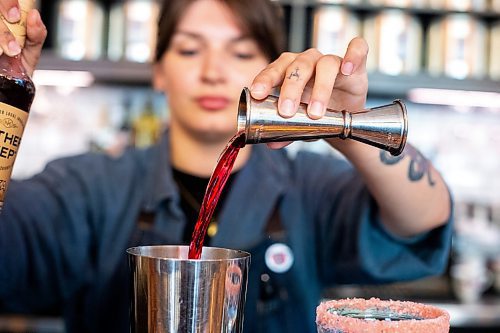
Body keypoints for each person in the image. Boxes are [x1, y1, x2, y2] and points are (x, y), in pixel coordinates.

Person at [0, 0, 453, 332]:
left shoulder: (308, 188)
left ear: (274, 70)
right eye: (191, 50)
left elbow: (423, 220)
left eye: (240, 54)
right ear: (159, 69)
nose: (214, 71)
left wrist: (345, 126)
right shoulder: (88, 188)